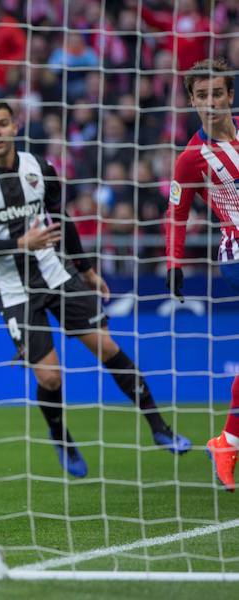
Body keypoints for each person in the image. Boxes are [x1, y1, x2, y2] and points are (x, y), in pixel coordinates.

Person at [0, 101, 191, 478]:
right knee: (50, 377)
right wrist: (20, 245)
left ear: (14, 126)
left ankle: (159, 427)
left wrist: (86, 268)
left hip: (57, 274)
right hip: (14, 290)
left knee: (108, 346)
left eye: (2, 124)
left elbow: (60, 218)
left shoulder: (40, 168)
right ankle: (61, 436)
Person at [164, 57, 239, 492]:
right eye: (202, 95)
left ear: (230, 95)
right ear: (192, 101)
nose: (211, 102)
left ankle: (227, 441)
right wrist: (174, 265)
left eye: (217, 93)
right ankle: (227, 441)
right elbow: (177, 215)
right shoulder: (191, 159)